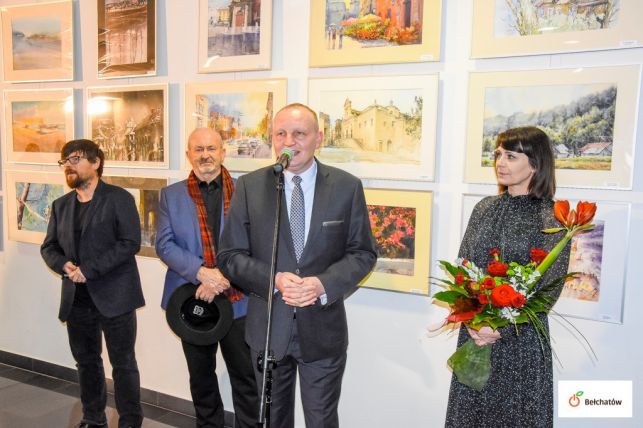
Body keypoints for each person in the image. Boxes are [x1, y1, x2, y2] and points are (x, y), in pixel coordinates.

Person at [217, 103, 377, 428]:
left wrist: (322, 285)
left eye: (299, 134)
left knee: (321, 420)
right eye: (280, 134)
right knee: (274, 421)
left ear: (318, 138)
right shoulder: (250, 187)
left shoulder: (346, 187)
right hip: (267, 330)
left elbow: (363, 253)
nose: (289, 142)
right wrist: (273, 279)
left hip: (322, 332)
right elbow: (229, 256)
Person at [445, 126, 571, 427]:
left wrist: (502, 325)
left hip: (521, 342)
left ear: (535, 164)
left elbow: (547, 289)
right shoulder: (484, 208)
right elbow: (464, 269)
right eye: (498, 154)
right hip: (475, 335)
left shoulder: (554, 217)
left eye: (511, 156)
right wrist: (474, 321)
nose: (500, 162)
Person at [155, 128, 258, 428]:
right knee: (201, 378)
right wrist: (202, 274)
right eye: (198, 149)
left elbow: (256, 243)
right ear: (189, 155)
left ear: (223, 152)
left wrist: (221, 277)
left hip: (238, 301)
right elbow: (165, 244)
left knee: (245, 378)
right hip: (191, 300)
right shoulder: (170, 195)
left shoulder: (247, 193)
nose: (205, 155)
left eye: (211, 148)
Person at [41, 139, 145, 428]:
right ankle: (93, 418)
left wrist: (89, 270)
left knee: (123, 365)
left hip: (116, 296)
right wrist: (63, 265)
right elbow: (48, 247)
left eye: (74, 159)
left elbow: (129, 243)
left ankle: (130, 421)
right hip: (77, 300)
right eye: (64, 162)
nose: (68, 166)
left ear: (96, 162)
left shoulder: (119, 198)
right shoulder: (61, 205)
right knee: (86, 363)